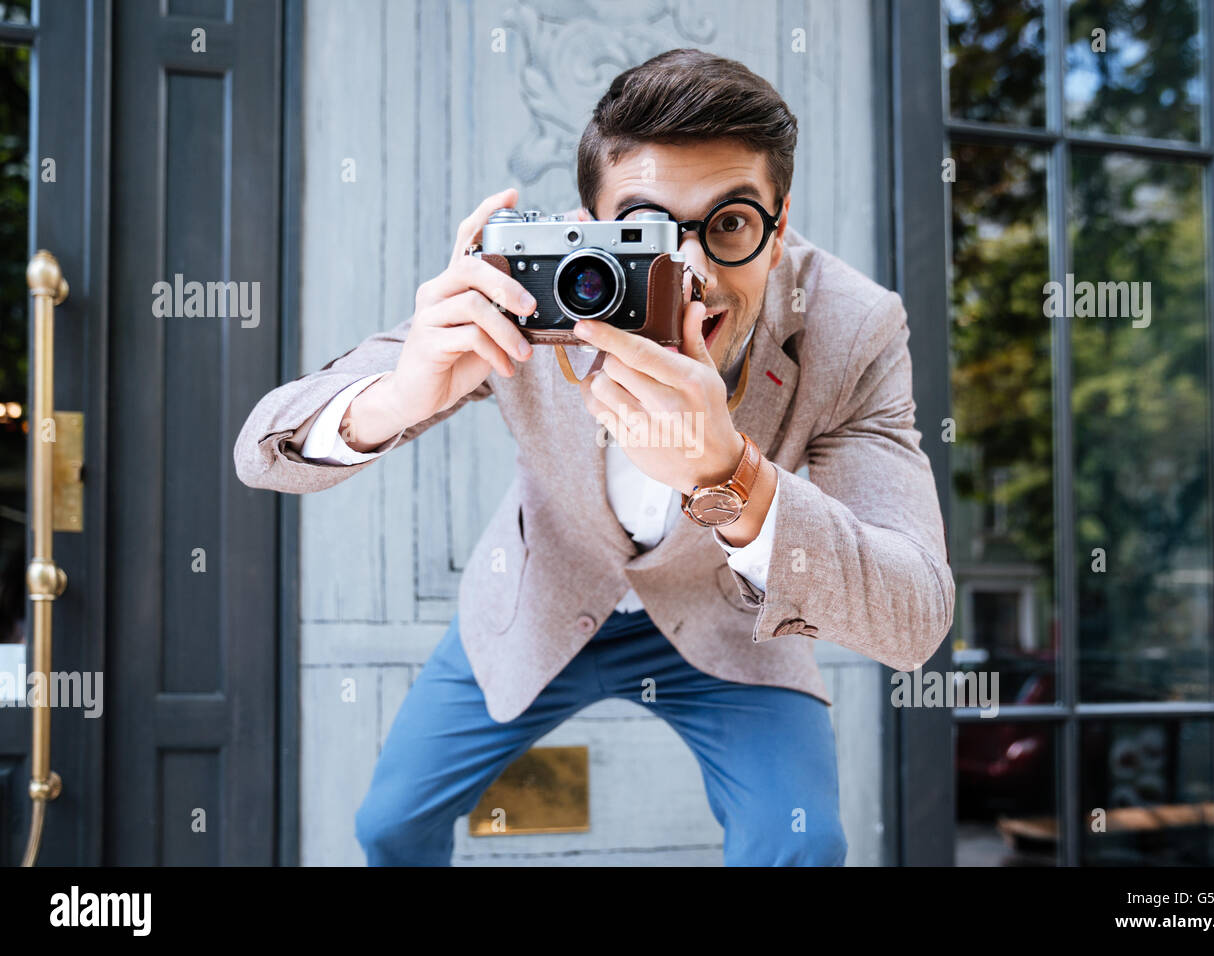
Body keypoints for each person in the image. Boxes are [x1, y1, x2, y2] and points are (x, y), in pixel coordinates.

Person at [234, 48, 954, 866]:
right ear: (589, 224)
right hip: (541, 595)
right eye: (644, 231)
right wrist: (402, 395)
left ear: (780, 224)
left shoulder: (852, 328)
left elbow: (917, 617)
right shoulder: (530, 283)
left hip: (729, 623)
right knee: (389, 825)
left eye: (730, 224)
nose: (691, 278)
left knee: (802, 846)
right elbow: (263, 452)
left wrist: (730, 475)